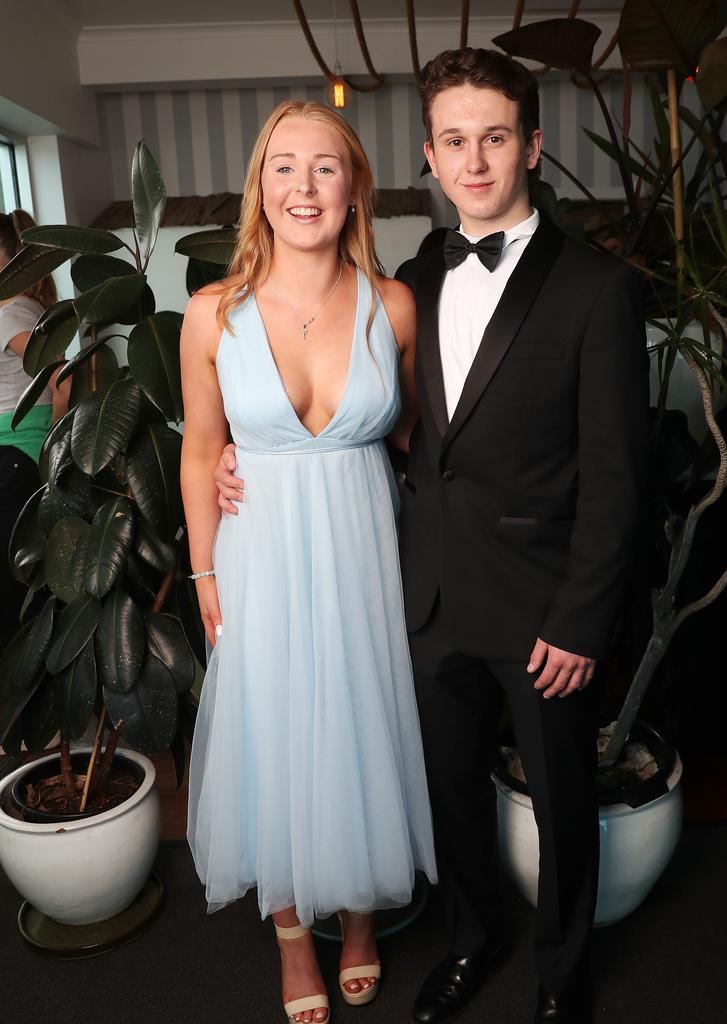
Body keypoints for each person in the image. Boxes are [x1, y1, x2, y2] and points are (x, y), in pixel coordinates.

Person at [216, 50, 649, 1024]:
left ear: (532, 145)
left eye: (495, 137)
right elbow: (385, 429)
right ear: (431, 155)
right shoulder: (405, 282)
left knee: (563, 801)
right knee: (448, 794)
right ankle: (472, 937)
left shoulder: (598, 289)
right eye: (455, 141)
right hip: (418, 597)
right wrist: (227, 459)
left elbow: (621, 475)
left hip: (546, 608)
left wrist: (582, 620)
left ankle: (561, 975)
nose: (476, 160)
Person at [180, 100, 437, 1024]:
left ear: (356, 187)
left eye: (324, 167)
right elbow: (199, 451)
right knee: (273, 731)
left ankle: (360, 928)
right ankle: (295, 942)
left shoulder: (396, 306)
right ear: (259, 187)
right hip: (258, 561)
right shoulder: (212, 314)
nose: (303, 186)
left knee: (362, 721)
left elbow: (422, 440)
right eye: (282, 167)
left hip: (364, 553)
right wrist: (206, 574)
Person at [0, 210, 68, 656]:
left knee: (12, 598)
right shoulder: (25, 308)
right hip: (20, 459)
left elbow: (63, 378)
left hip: (15, 459)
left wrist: (53, 450)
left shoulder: (10, 314)